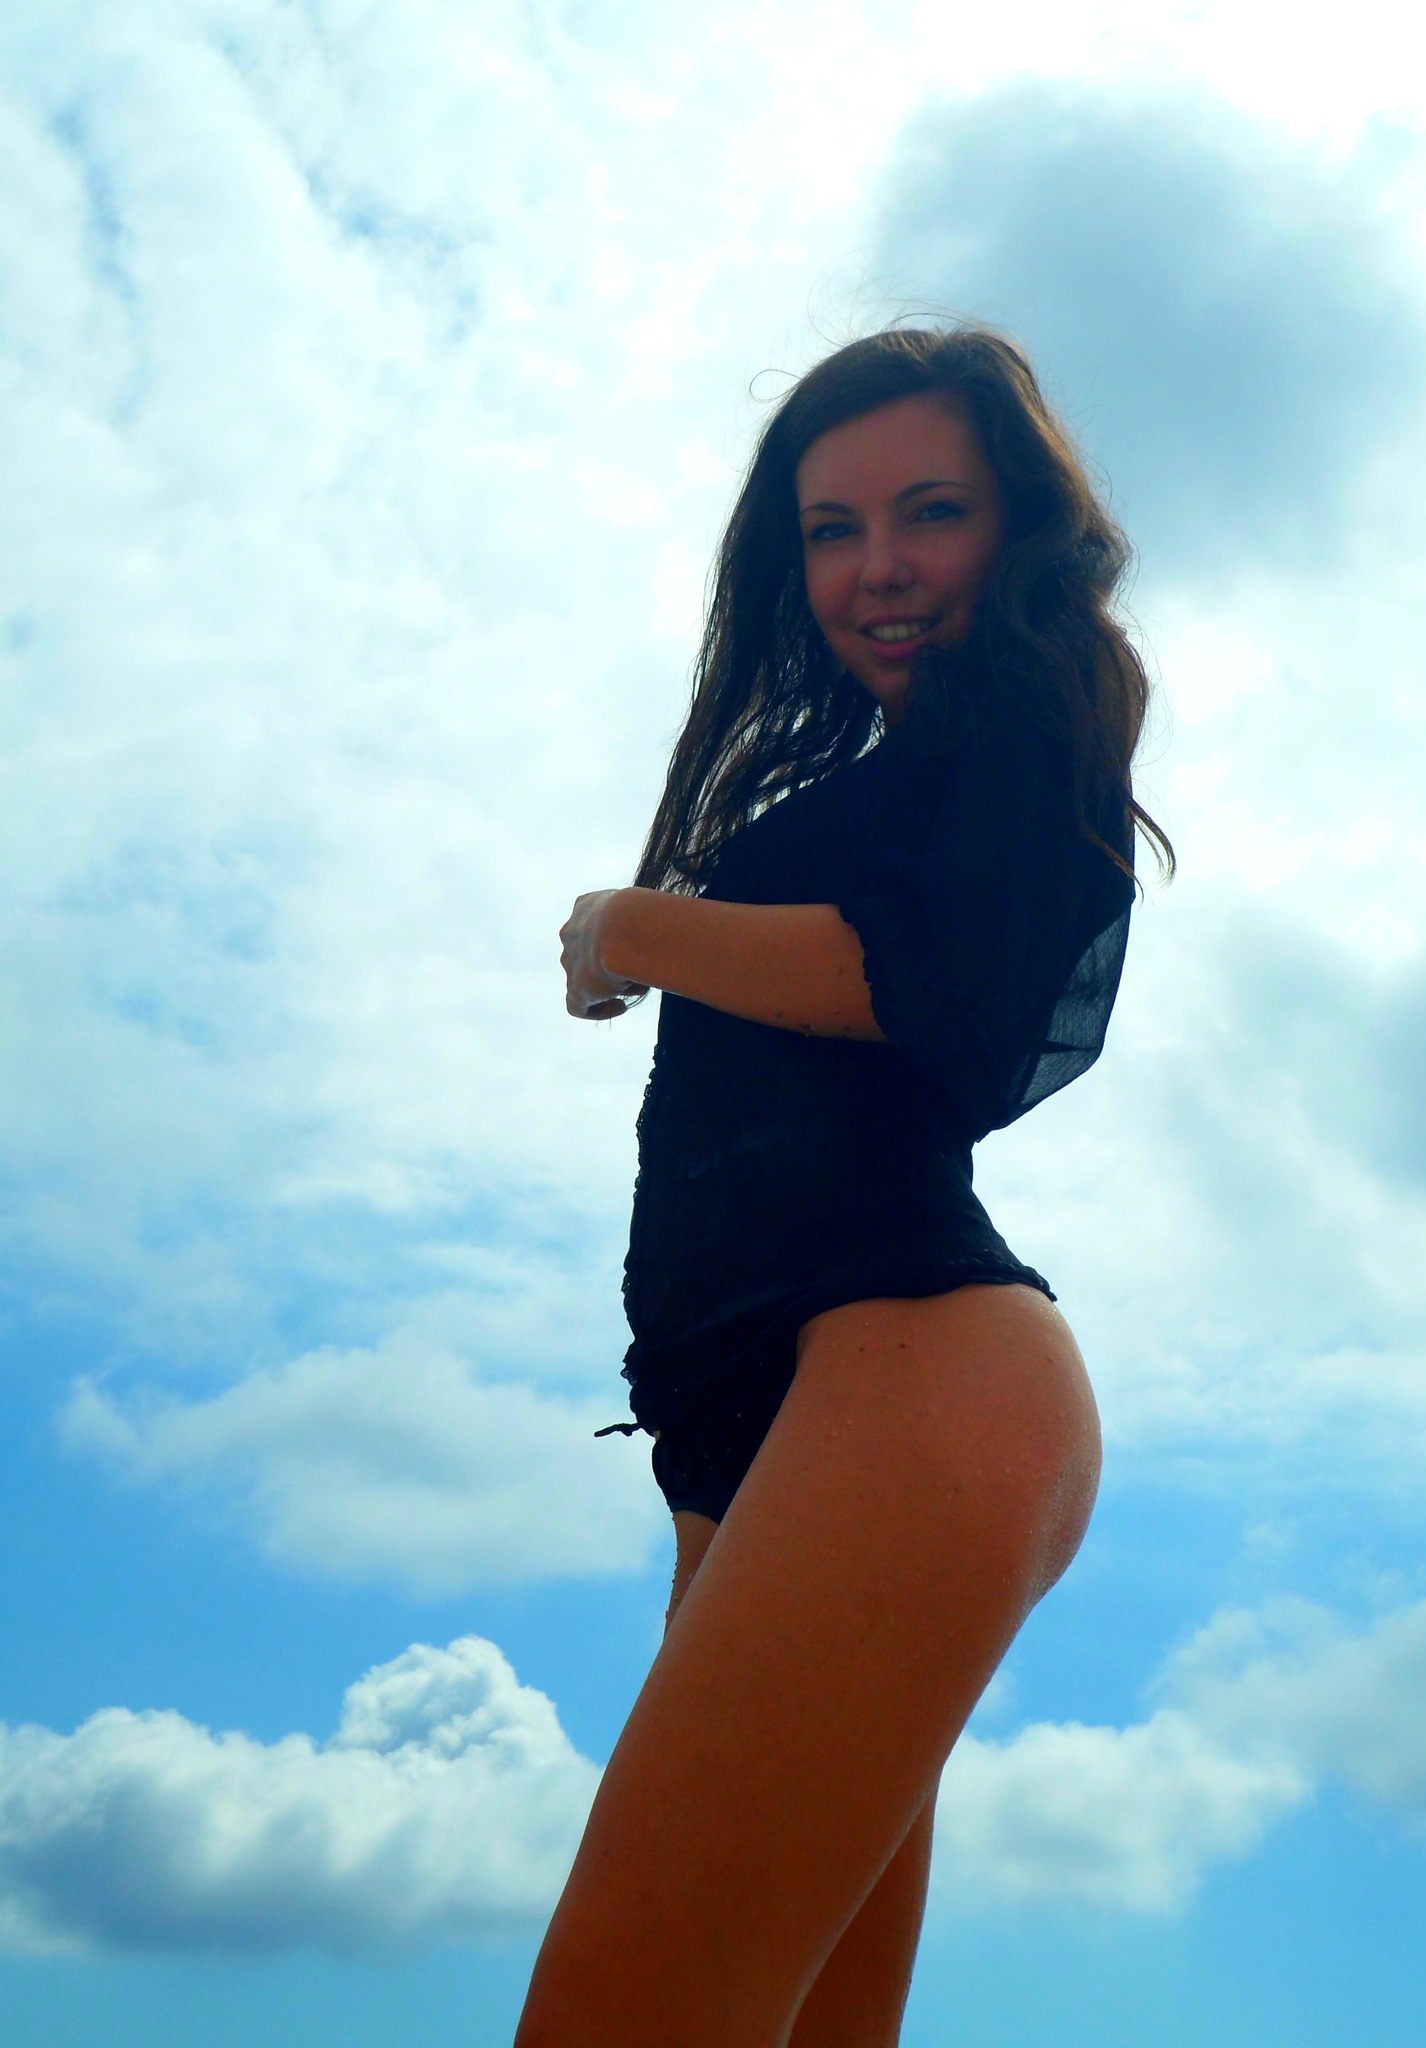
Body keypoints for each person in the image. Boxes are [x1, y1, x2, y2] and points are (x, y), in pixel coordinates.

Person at [515, 322, 1172, 2048]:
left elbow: (938, 989)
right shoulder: (882, 777)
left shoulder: (1028, 714)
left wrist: (634, 927)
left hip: (908, 1361)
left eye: (930, 512)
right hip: (744, 1426)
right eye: (831, 528)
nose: (876, 565)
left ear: (1014, 528)